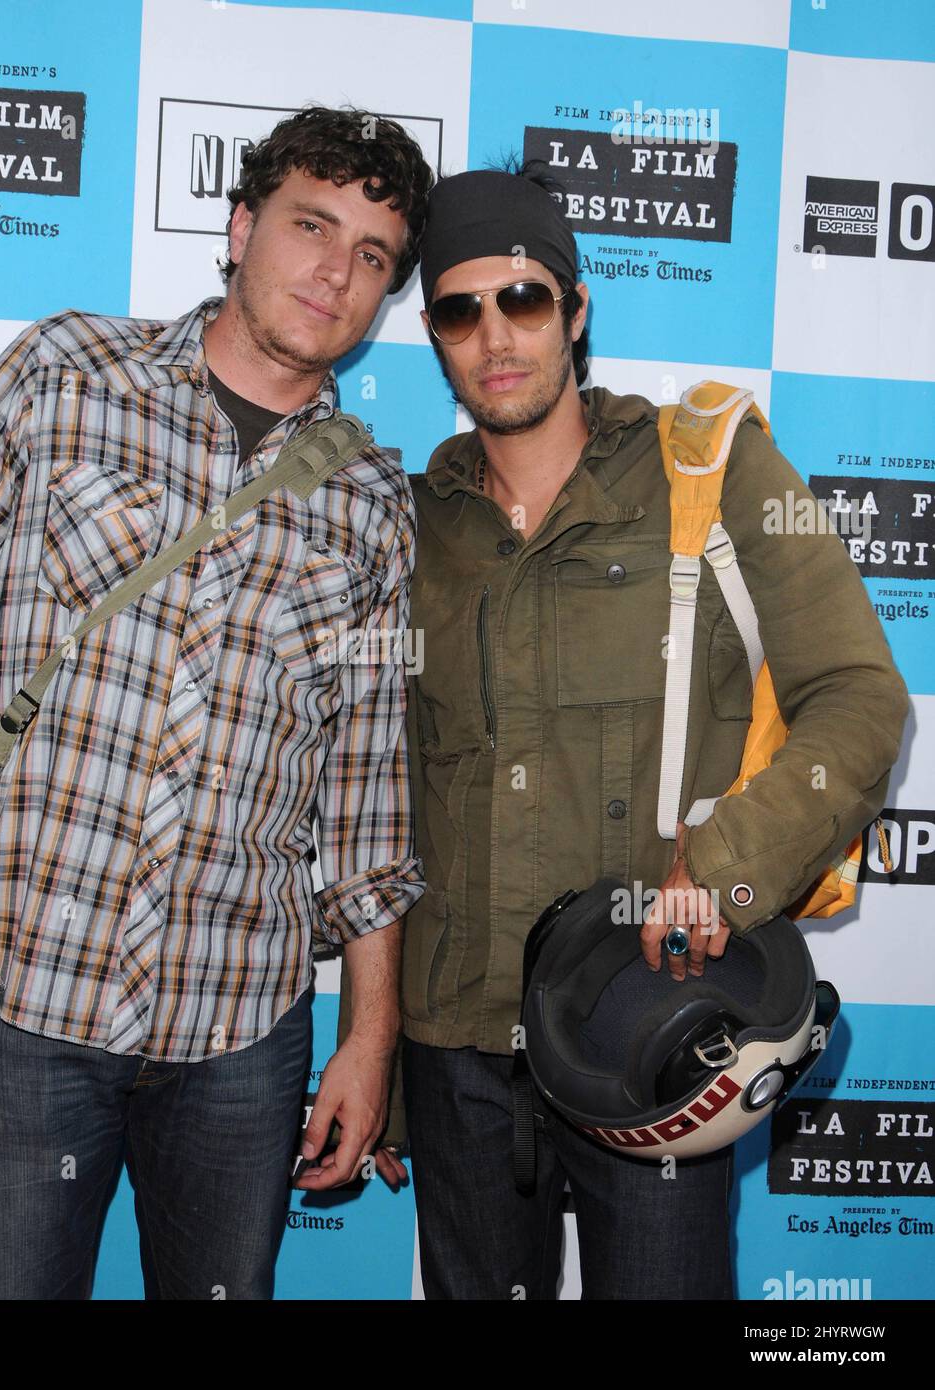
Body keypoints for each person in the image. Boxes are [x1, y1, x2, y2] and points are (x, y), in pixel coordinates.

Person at [0, 105, 432, 1299]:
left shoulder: (372, 505)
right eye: (311, 225)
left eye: (372, 256)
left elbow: (366, 800)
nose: (334, 270)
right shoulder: (64, 371)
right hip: (27, 984)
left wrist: (368, 1036)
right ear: (240, 229)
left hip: (241, 1026)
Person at [390, 160, 909, 1299]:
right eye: (458, 309)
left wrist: (723, 873)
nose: (496, 335)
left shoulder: (711, 469)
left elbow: (863, 700)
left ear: (576, 310)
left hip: (659, 1023)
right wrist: (381, 1049)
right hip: (460, 1054)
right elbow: (387, 800)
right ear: (432, 334)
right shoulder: (409, 524)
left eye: (523, 297)